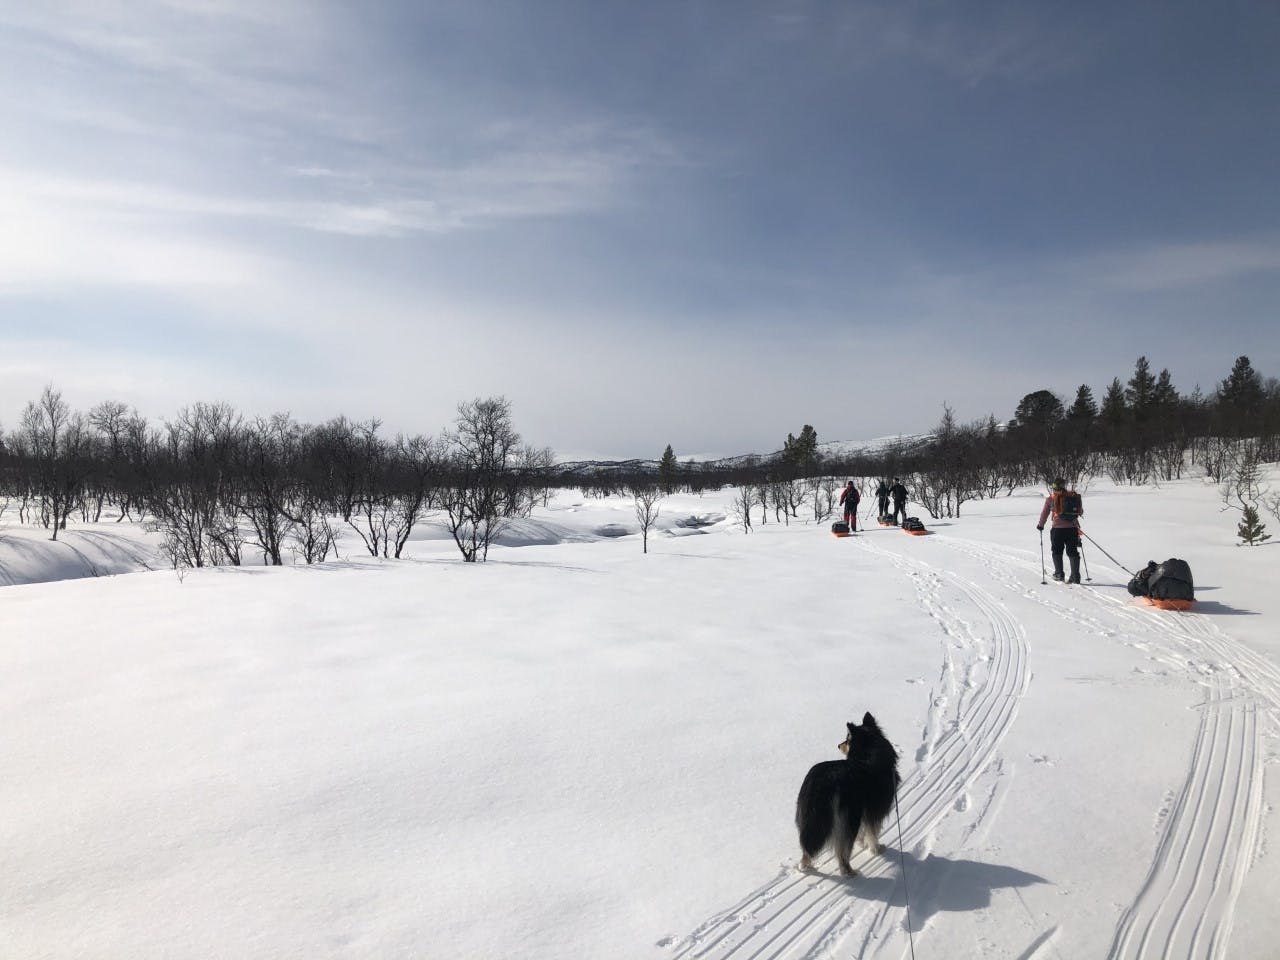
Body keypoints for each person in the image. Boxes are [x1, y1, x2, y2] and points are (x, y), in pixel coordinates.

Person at [1037, 477, 1084, 583]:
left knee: (1057, 551)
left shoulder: (1051, 498)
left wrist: (1041, 525)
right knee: (1073, 551)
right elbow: (1080, 511)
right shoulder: (1072, 496)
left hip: (1057, 529)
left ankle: (1059, 574)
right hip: (1072, 529)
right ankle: (1075, 576)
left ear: (1054, 486)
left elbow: (1045, 513)